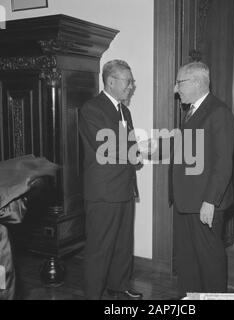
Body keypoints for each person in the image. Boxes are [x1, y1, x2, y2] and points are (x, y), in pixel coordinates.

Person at [79, 59, 143, 300]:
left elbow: (128, 143)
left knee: (123, 243)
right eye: (128, 82)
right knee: (100, 248)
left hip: (124, 188)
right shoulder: (91, 109)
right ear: (111, 81)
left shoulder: (124, 110)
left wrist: (137, 152)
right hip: (103, 192)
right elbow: (105, 147)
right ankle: (93, 295)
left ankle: (119, 285)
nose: (132, 86)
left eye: (131, 82)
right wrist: (138, 151)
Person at [170, 61, 234, 296]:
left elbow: (223, 162)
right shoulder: (192, 110)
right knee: (188, 259)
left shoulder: (218, 111)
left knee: (210, 260)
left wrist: (210, 200)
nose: (175, 89)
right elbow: (193, 150)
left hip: (204, 203)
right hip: (186, 200)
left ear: (196, 82)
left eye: (179, 83)